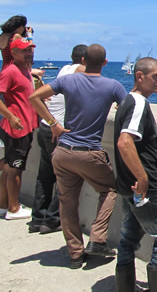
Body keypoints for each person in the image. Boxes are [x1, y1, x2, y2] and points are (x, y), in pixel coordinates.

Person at [29, 44, 127, 269]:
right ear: (105, 62)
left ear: (83, 60)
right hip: (90, 153)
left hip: (63, 152)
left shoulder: (67, 81)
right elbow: (129, 111)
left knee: (67, 203)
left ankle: (75, 254)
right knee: (110, 189)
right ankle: (98, 239)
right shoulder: (113, 85)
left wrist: (54, 123)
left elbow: (34, 96)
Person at [113, 57, 157, 292]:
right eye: (156, 77)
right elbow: (124, 142)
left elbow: (141, 147)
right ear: (140, 77)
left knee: (128, 240)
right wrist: (144, 178)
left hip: (128, 187)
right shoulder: (138, 103)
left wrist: (155, 170)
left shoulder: (126, 102)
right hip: (145, 190)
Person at [28, 44, 87, 234]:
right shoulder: (80, 71)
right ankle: (52, 220)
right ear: (85, 60)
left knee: (45, 175)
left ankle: (38, 218)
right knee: (66, 176)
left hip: (46, 127)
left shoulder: (64, 69)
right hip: (59, 130)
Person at [0, 37, 38, 220]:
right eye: (24, 50)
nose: (29, 52)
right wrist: (10, 116)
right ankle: (14, 208)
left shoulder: (25, 70)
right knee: (16, 168)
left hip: (26, 124)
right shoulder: (11, 71)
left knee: (9, 166)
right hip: (16, 126)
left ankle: (3, 204)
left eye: (30, 49)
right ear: (13, 52)